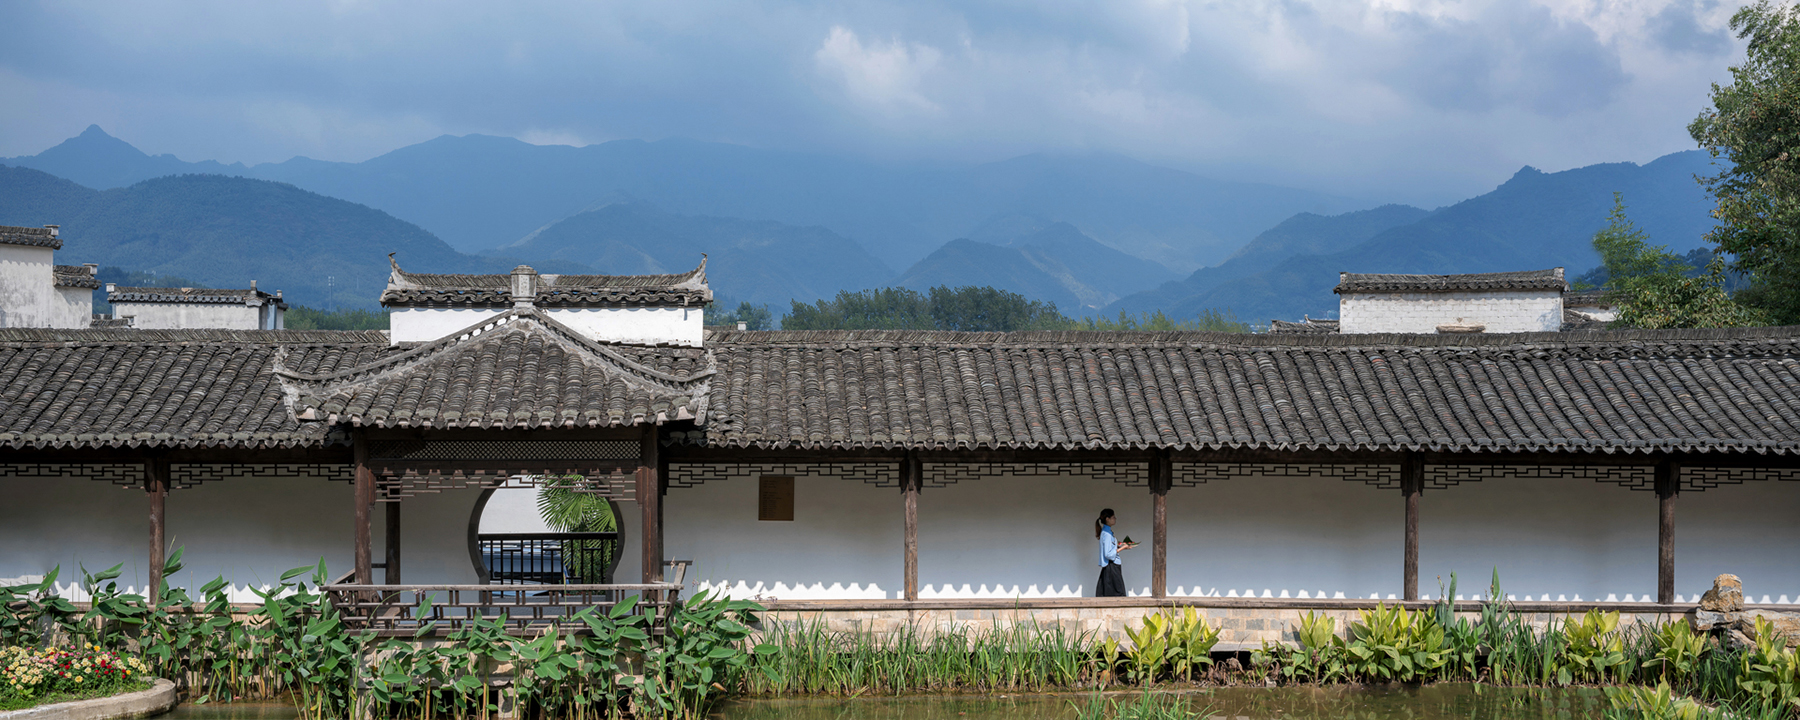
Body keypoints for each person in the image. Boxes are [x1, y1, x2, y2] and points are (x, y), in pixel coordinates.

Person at [1095, 508, 1135, 597]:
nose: (1115, 519)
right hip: (1111, 566)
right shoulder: (1107, 534)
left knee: (1108, 592)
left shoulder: (1107, 532)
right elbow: (1108, 554)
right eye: (1113, 517)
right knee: (1117, 593)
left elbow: (1110, 547)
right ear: (1107, 519)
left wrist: (1119, 545)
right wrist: (1122, 548)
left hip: (1110, 566)